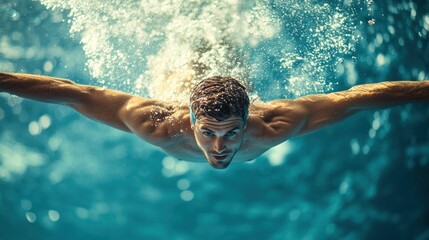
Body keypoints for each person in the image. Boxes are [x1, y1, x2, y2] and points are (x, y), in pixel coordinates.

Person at [1, 72, 428, 169]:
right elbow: (74, 93)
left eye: (231, 133)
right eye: (208, 133)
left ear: (249, 121)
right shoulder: (157, 124)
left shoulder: (276, 123)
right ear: (190, 122)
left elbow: (358, 98)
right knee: (180, 71)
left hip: (235, 88)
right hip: (181, 82)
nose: (220, 146)